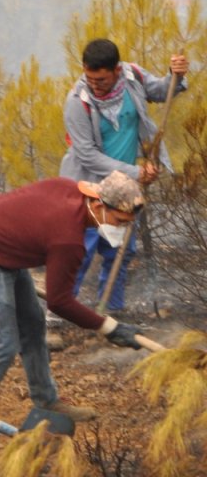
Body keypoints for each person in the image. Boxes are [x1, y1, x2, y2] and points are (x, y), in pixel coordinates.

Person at [0, 172, 147, 449]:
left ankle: (47, 401)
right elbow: (60, 302)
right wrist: (110, 328)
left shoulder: (67, 188)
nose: (121, 228)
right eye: (120, 222)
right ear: (98, 205)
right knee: (2, 346)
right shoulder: (68, 239)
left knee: (33, 326)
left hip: (3, 254)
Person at [60, 38, 187, 311]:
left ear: (116, 70)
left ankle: (110, 310)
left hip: (124, 188)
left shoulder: (133, 77)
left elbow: (163, 91)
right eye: (90, 78)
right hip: (87, 187)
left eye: (101, 79)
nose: (94, 84)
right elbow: (87, 155)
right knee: (80, 251)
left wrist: (175, 75)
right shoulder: (76, 101)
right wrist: (136, 171)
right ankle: (60, 309)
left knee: (120, 250)